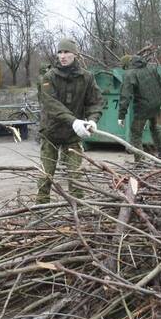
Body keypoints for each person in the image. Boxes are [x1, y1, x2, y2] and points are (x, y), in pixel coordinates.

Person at [36, 38, 103, 203]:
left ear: (75, 54)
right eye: (60, 52)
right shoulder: (48, 77)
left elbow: (95, 101)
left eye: (66, 52)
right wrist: (74, 121)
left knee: (75, 174)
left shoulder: (86, 77)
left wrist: (93, 120)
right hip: (51, 132)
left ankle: (78, 209)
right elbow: (51, 104)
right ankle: (40, 208)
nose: (62, 56)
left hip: (73, 135)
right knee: (46, 174)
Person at [117, 54, 161, 160]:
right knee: (154, 128)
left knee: (135, 132)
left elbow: (125, 96)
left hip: (143, 107)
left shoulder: (129, 74)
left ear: (127, 64)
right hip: (156, 104)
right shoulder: (151, 68)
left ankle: (140, 161)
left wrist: (121, 115)